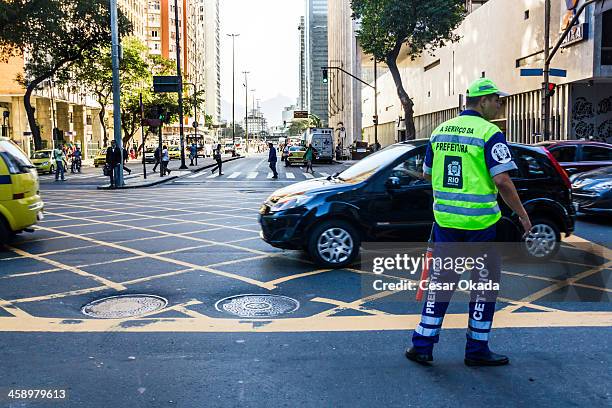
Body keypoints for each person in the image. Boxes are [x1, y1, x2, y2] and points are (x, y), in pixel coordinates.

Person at [406, 78, 532, 367]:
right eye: (497, 100)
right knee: (484, 287)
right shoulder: (490, 133)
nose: (500, 104)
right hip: (480, 227)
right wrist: (523, 215)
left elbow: (427, 174)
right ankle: (476, 351)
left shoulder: (439, 131)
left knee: (440, 284)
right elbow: (502, 179)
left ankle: (422, 346)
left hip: (446, 223)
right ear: (483, 100)